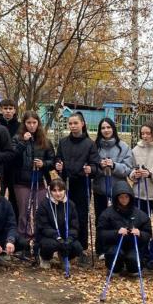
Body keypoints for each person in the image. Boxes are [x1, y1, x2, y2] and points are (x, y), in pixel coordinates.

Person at [55, 112, 99, 266]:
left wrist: (91, 169)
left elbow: (95, 165)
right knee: (64, 214)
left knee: (81, 216)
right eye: (70, 123)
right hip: (66, 183)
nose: (73, 126)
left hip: (82, 183)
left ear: (82, 124)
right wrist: (58, 165)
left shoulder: (90, 144)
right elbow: (58, 159)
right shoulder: (63, 142)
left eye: (75, 123)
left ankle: (82, 248)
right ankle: (64, 247)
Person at [12, 111, 54, 255]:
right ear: (24, 124)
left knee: (39, 213)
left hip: (39, 181)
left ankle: (38, 242)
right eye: (28, 123)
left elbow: (52, 160)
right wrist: (23, 142)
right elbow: (12, 156)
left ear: (38, 124)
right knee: (24, 213)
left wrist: (44, 164)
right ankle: (23, 243)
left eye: (34, 123)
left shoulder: (45, 141)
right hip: (21, 181)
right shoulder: (17, 138)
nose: (31, 126)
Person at [92, 117, 134, 258]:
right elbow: (91, 167)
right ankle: (101, 249)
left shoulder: (123, 146)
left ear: (113, 129)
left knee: (118, 219)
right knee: (101, 219)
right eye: (103, 128)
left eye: (108, 127)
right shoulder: (95, 146)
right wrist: (100, 166)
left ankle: (119, 247)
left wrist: (114, 165)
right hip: (100, 189)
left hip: (118, 191)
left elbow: (128, 169)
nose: (106, 130)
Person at [96, 181, 151, 275]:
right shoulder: (107, 213)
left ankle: (132, 267)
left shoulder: (140, 214)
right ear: (116, 198)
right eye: (121, 197)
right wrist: (116, 233)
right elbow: (101, 233)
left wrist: (140, 233)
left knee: (134, 262)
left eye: (126, 197)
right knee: (115, 254)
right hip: (114, 245)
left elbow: (148, 233)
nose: (124, 199)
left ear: (130, 197)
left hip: (133, 245)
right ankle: (116, 267)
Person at [34, 179, 81, 269]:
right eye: (54, 191)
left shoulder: (70, 205)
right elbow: (44, 226)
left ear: (65, 190)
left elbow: (74, 226)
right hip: (49, 237)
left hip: (65, 237)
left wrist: (70, 238)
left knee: (77, 247)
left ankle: (64, 256)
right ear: (50, 191)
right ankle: (45, 257)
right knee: (50, 245)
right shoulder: (44, 205)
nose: (58, 193)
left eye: (60, 190)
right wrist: (56, 236)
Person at [0, 99, 20, 217]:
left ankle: (14, 223)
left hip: (15, 167)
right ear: (1, 110)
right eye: (5, 108)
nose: (8, 111)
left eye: (10, 109)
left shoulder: (20, 127)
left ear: (14, 110)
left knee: (14, 199)